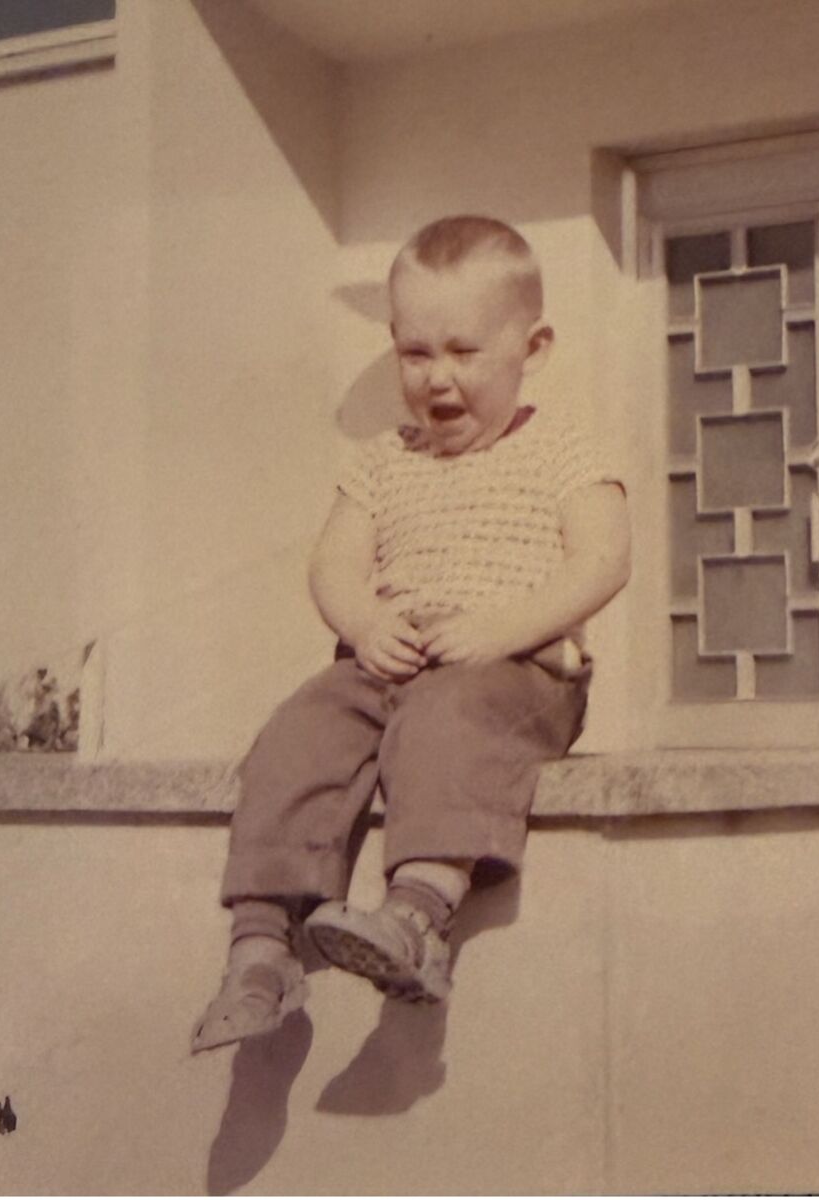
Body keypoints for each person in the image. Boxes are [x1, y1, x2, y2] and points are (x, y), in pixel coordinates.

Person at [192, 215, 630, 1053]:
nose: (438, 377)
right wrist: (364, 623)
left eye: (465, 352)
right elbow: (332, 565)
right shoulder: (383, 462)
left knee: (448, 719)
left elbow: (604, 560)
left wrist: (502, 629)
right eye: (416, 353)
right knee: (299, 729)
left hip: (516, 673)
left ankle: (418, 918)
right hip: (390, 664)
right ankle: (260, 948)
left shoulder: (563, 452)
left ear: (532, 349)